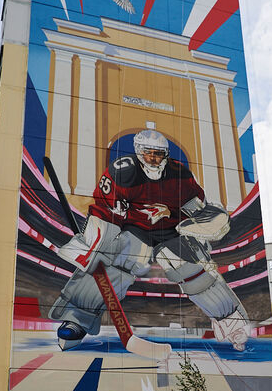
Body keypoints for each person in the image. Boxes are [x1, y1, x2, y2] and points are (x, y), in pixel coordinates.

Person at [50, 127, 252, 351]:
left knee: (194, 272)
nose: (154, 159)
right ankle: (76, 319)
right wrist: (94, 243)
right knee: (114, 266)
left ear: (165, 155)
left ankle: (231, 323)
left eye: (158, 154)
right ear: (139, 152)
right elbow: (104, 211)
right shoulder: (123, 172)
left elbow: (196, 210)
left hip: (172, 230)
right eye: (149, 153)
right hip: (136, 229)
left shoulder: (179, 174)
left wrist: (175, 216)